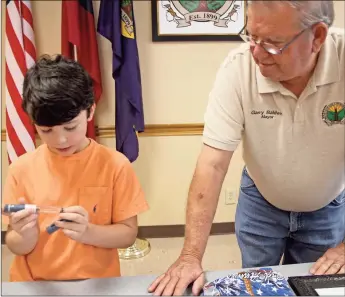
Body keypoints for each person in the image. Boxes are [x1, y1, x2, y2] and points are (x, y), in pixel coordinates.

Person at [148, 1, 344, 296]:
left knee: (310, 287)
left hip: (325, 206)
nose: (256, 53)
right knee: (254, 283)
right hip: (260, 202)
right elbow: (212, 165)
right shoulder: (238, 68)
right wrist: (190, 256)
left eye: (274, 44)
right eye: (252, 36)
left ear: (317, 37)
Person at [2, 55, 149, 282]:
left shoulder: (115, 165)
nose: (60, 140)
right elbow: (16, 245)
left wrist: (88, 232)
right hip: (34, 285)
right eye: (46, 131)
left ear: (90, 112)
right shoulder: (21, 169)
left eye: (70, 127)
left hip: (96, 284)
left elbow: (128, 235)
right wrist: (24, 235)